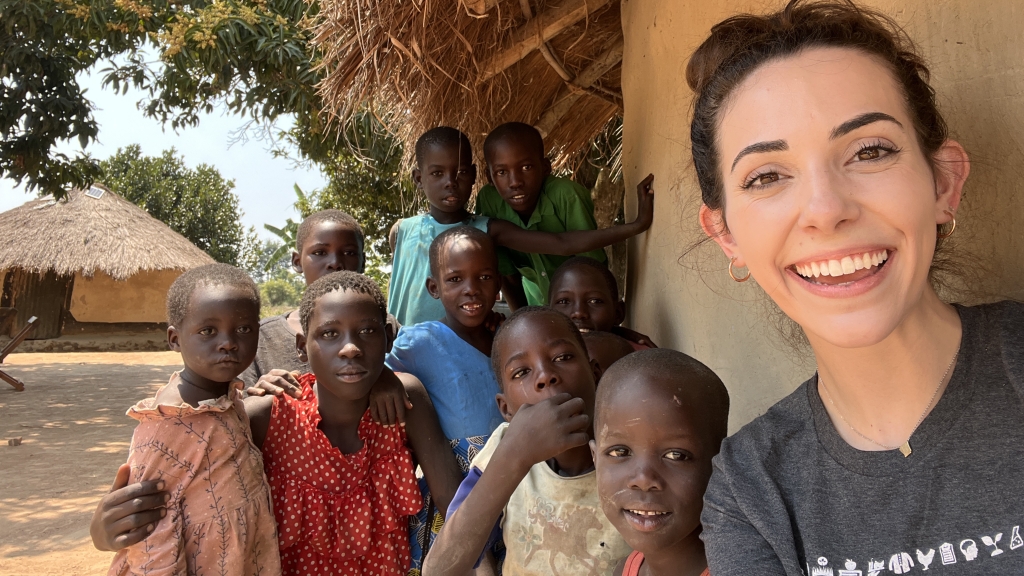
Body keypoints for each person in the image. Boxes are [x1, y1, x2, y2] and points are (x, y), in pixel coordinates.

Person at [685, 1, 1024, 574]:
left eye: (870, 151)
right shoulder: (749, 496)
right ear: (726, 235)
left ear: (944, 183)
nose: (825, 210)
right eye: (766, 176)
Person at [94, 271, 464, 576]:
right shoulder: (264, 416)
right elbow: (176, 489)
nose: (350, 347)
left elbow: (456, 505)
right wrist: (102, 531)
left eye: (367, 331)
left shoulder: (404, 402)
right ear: (303, 346)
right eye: (330, 334)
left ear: (387, 337)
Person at [423, 306, 632, 576]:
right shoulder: (503, 450)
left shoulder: (633, 454)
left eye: (563, 357)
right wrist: (514, 457)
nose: (545, 376)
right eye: (521, 372)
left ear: (595, 374)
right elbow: (439, 569)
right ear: (506, 409)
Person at [106, 263, 281, 576]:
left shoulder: (230, 399)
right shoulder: (167, 423)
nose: (228, 342)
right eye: (208, 331)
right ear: (175, 339)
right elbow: (150, 529)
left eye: (243, 329)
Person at [389, 125, 655, 325]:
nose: (450, 181)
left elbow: (563, 244)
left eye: (460, 172)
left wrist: (636, 226)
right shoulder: (402, 231)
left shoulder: (487, 229)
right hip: (404, 347)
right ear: (418, 178)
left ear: (473, 176)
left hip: (465, 345)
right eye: (437, 173)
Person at [385, 226, 507, 571]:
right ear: (434, 288)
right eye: (455, 279)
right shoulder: (419, 343)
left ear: (498, 283)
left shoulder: (508, 334)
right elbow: (374, 375)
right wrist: (383, 381)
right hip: (455, 486)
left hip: (518, 480)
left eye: (484, 276)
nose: (471, 289)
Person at [241, 209, 409, 426]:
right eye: (320, 252)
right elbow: (238, 411)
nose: (335, 263)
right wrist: (260, 393)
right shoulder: (263, 337)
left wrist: (389, 377)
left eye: (349, 252)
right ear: (297, 261)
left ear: (363, 260)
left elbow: (414, 387)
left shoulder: (384, 326)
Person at [591, 349, 729, 576]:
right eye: (619, 452)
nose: (644, 479)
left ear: (721, 465)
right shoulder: (625, 570)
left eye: (676, 455)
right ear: (595, 458)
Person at [476, 122, 629, 309]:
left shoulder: (567, 196)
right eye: (502, 172)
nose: (515, 182)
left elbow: (592, 267)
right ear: (490, 177)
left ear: (545, 167)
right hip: (535, 303)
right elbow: (507, 273)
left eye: (526, 167)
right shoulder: (489, 201)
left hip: (578, 306)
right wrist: (520, 320)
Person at [548, 256, 657, 349]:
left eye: (594, 301)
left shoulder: (638, 361)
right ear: (547, 313)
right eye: (564, 301)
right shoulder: (535, 359)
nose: (579, 312)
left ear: (618, 313)